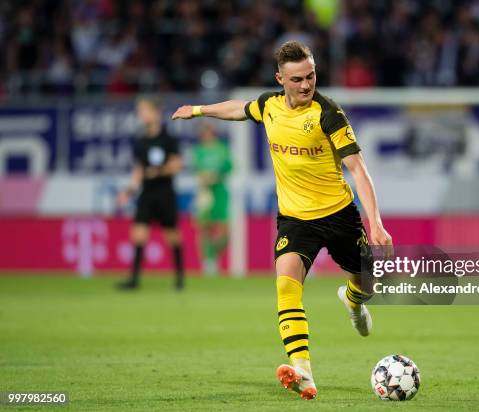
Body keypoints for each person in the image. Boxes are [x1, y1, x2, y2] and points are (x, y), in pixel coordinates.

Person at [172, 41, 392, 400]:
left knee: (367, 283)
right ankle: (302, 369)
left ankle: (354, 301)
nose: (306, 85)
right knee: (286, 286)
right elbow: (237, 110)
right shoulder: (269, 106)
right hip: (294, 219)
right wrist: (198, 110)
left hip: (339, 215)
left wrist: (376, 223)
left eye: (311, 76)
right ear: (280, 78)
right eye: (297, 79)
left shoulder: (328, 114)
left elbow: (358, 170)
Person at [116, 96, 185, 290]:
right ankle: (134, 280)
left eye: (144, 111)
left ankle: (179, 279)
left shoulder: (168, 139)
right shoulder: (140, 141)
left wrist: (159, 171)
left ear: (156, 112)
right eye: (140, 112)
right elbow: (139, 171)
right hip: (146, 193)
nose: (141, 115)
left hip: (165, 193)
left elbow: (177, 164)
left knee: (172, 236)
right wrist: (128, 191)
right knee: (138, 234)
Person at [192, 123, 232, 275]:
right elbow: (197, 170)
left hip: (220, 192)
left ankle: (213, 254)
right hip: (205, 193)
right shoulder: (198, 152)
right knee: (205, 228)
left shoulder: (222, 150)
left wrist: (215, 176)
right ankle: (208, 262)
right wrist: (205, 178)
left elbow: (229, 167)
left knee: (225, 231)